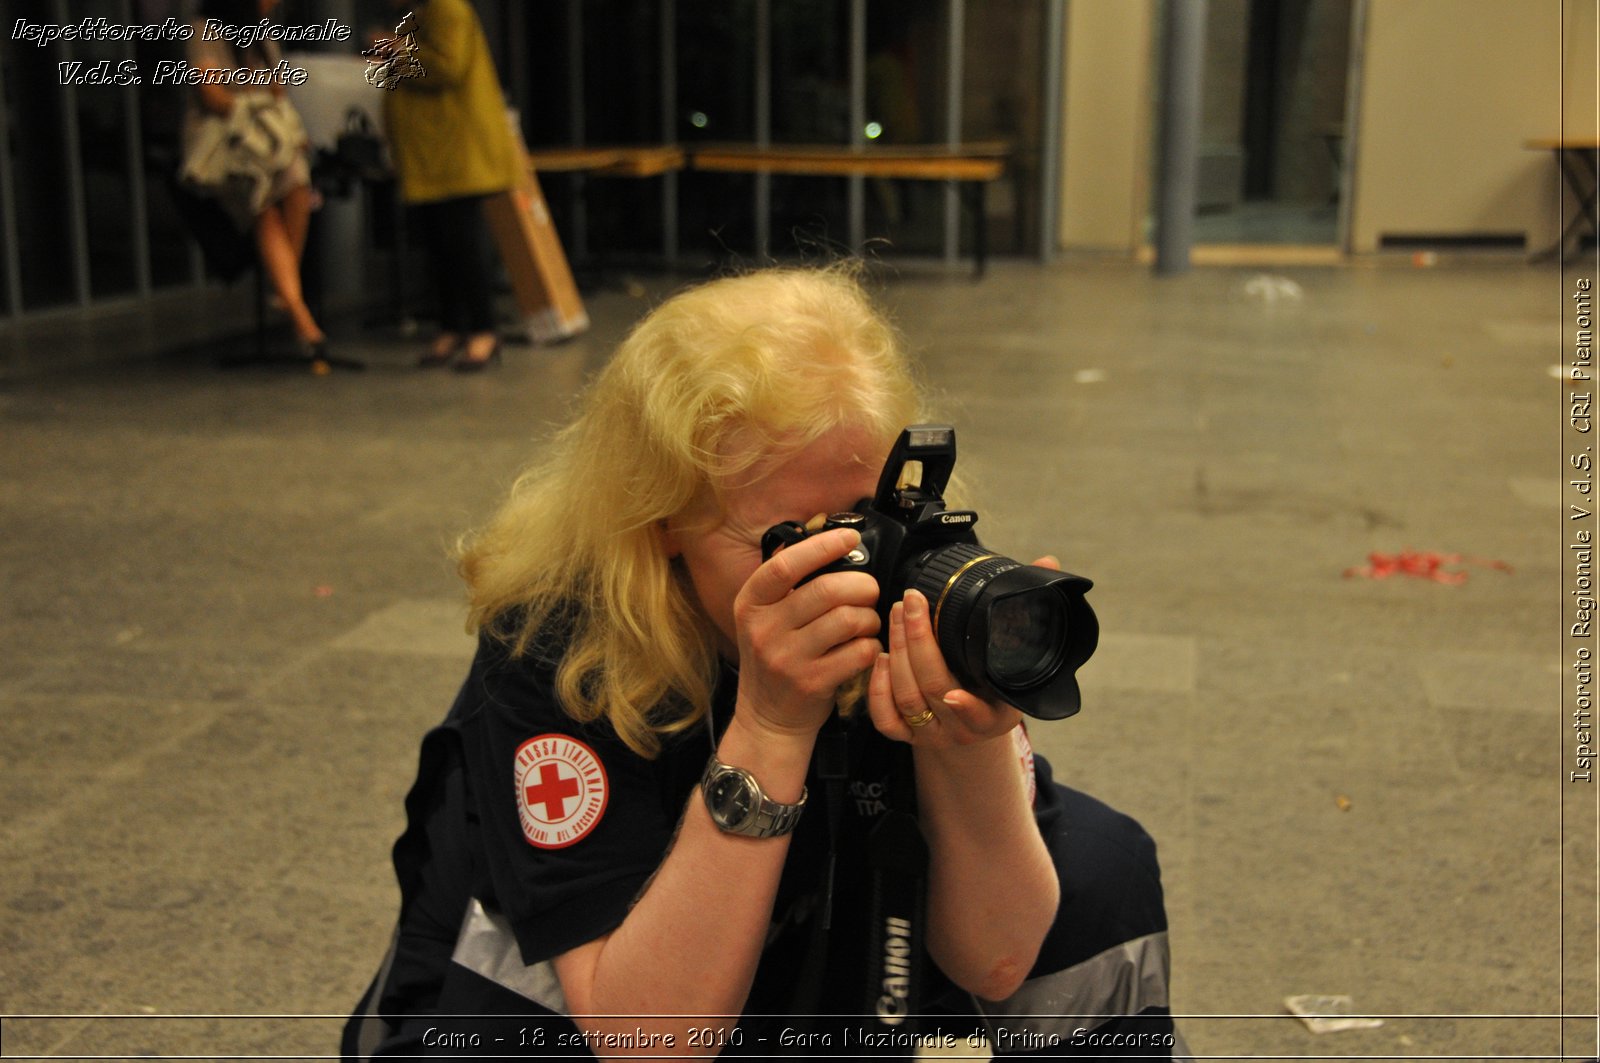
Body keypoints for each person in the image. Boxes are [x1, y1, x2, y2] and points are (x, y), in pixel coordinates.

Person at [343, 266, 1184, 1059]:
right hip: (593, 995)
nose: (847, 566)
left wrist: (968, 750)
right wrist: (771, 727)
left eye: (866, 519)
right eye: (792, 539)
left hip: (811, 935)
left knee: (1100, 869)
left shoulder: (908, 586)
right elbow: (652, 1041)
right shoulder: (562, 642)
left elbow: (998, 960)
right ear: (660, 520)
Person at [182, 0, 329, 365]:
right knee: (262, 201)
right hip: (227, 147)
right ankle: (299, 313)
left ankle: (286, 291)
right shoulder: (205, 30)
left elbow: (277, 91)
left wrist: (254, 97)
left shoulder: (262, 35)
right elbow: (214, 97)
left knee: (296, 179)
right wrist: (256, 97)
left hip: (265, 140)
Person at [381, 0, 522, 373]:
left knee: (462, 243)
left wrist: (393, 51)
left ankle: (483, 329)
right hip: (432, 155)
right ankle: (452, 327)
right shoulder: (419, 13)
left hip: (456, 152)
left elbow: (448, 65)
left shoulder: (447, 7)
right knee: (439, 244)